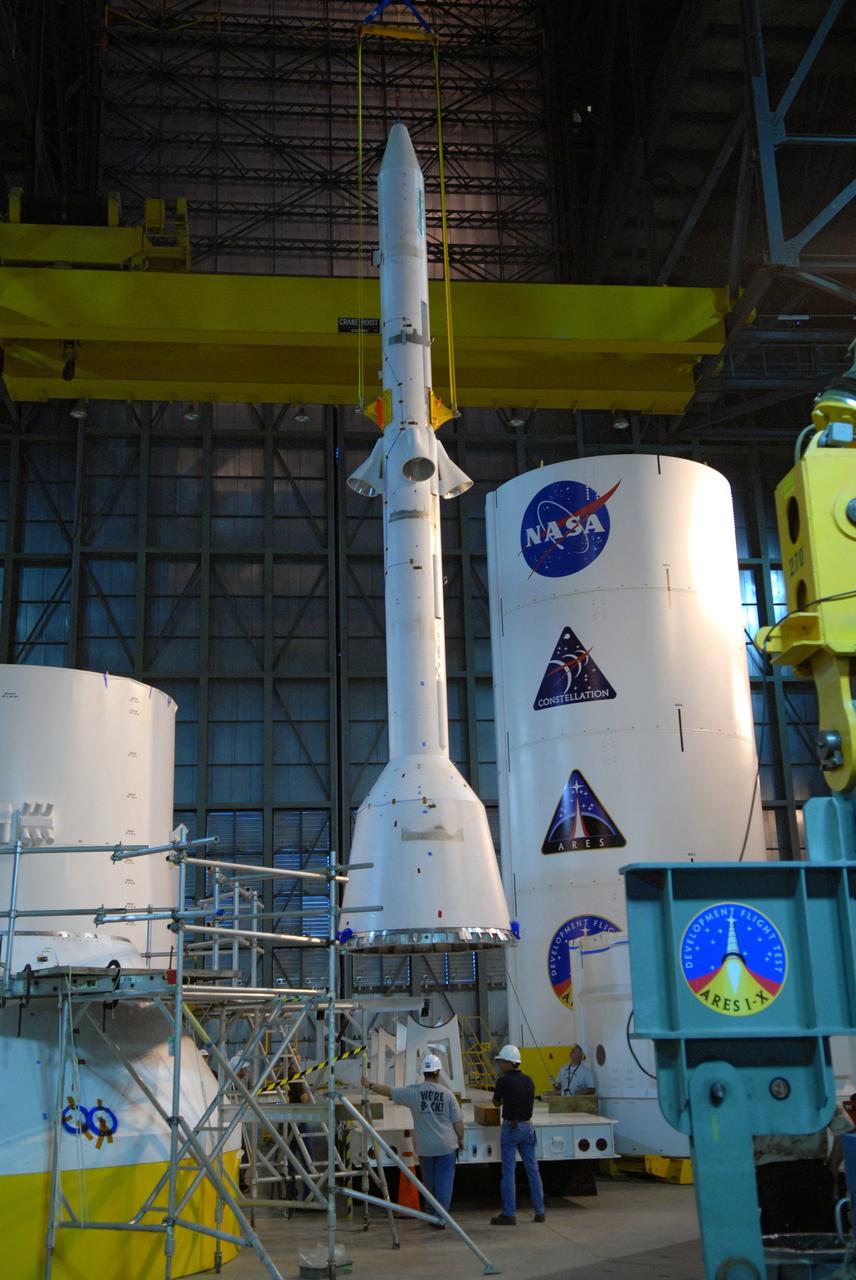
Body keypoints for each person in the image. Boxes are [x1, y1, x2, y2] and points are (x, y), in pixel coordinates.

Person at [362, 1052, 464, 1223]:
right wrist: (461, 1139)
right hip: (447, 1147)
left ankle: (431, 1214)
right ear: (438, 1073)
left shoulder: (414, 1092)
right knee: (444, 1183)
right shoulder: (448, 1095)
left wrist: (370, 1085)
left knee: (429, 1183)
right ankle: (441, 1218)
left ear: (424, 1073)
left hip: (425, 1148)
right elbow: (458, 1123)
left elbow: (390, 1091)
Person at [490, 1044, 546, 1226]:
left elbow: (496, 1103)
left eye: (501, 1062)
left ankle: (509, 1214)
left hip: (511, 1128)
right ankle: (540, 1211)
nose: (500, 1065)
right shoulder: (529, 1081)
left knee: (508, 1172)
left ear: (509, 1063)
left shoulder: (503, 1081)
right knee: (533, 1170)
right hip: (527, 1128)